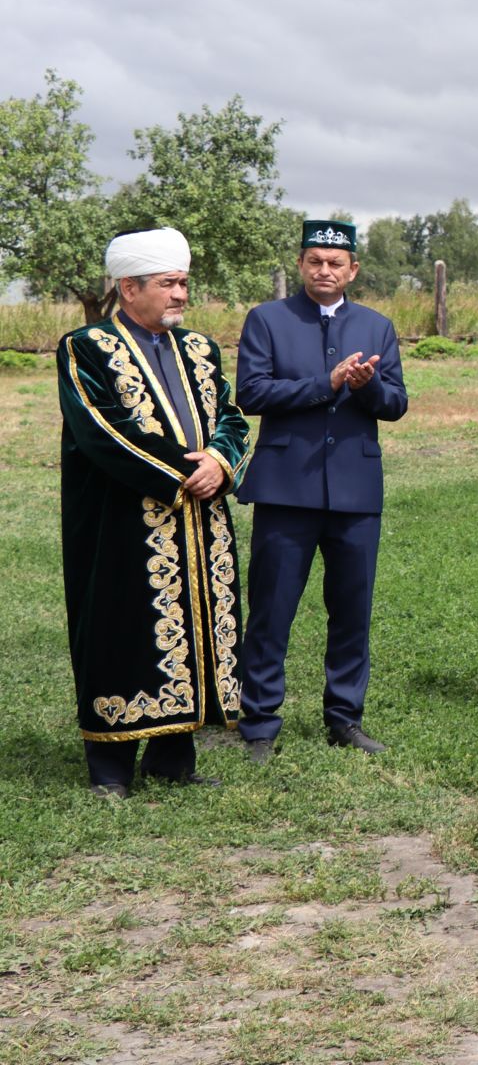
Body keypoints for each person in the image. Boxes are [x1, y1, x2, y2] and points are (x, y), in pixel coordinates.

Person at [55, 228, 250, 797]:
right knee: (121, 627)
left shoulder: (200, 348)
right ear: (129, 287)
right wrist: (185, 474)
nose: (181, 294)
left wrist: (220, 459)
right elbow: (103, 428)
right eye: (168, 283)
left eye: (184, 282)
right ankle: (111, 770)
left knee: (196, 627)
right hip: (121, 522)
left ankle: (173, 761)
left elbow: (231, 416)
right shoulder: (85, 347)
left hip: (202, 521)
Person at [235, 219, 408, 762]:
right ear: (301, 266)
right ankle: (260, 721)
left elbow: (397, 404)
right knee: (272, 608)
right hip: (287, 489)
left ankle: (344, 718)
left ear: (353, 269)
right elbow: (252, 392)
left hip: (355, 493)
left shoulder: (377, 326)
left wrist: (369, 386)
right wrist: (325, 384)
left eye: (336, 263)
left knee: (352, 609)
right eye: (315, 261)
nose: (325, 270)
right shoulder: (267, 320)